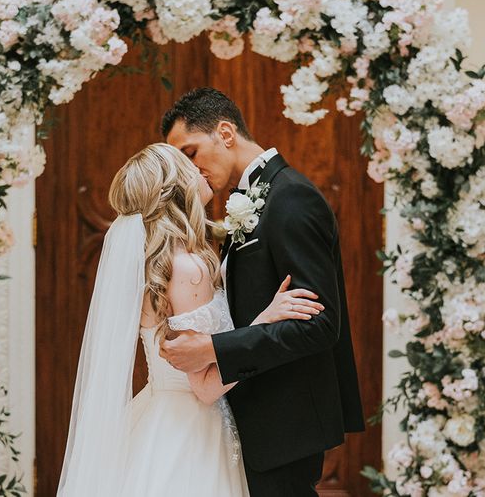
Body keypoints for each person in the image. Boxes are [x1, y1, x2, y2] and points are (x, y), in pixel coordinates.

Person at [56, 143, 323, 497]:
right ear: (176, 188)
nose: (199, 170)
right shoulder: (187, 268)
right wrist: (266, 319)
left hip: (161, 416)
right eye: (189, 167)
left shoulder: (158, 264)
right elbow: (205, 388)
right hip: (193, 432)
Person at [160, 88, 365, 497]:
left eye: (191, 152)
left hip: (284, 418)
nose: (188, 169)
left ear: (225, 133)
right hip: (256, 417)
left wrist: (215, 349)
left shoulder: (291, 196)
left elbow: (321, 325)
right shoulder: (253, 197)